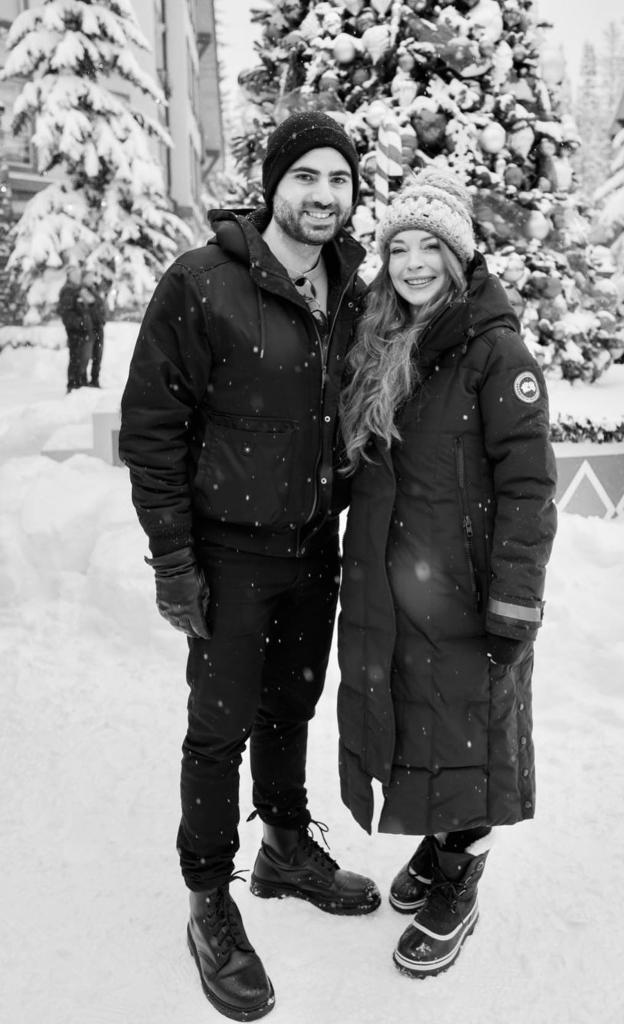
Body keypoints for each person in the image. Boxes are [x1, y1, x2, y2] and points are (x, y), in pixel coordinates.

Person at [118, 111, 380, 1022]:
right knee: (217, 727)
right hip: (228, 552)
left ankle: (282, 846)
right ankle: (207, 898)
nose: (323, 195)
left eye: (339, 180)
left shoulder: (355, 286)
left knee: (291, 704)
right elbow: (152, 431)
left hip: (313, 545)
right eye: (306, 176)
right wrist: (173, 559)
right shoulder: (202, 284)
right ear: (274, 186)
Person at [336, 169, 558, 979]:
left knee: (467, 731)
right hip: (399, 587)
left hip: (466, 591)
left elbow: (530, 485)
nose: (414, 263)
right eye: (400, 247)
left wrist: (514, 601)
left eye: (432, 247)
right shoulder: (386, 342)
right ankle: (438, 844)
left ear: (460, 259)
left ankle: (461, 874)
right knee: (420, 719)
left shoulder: (496, 354)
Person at [57, 265, 93, 391]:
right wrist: (80, 323)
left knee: (81, 358)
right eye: (75, 274)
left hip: (83, 330)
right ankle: (72, 384)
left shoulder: (78, 289)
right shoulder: (67, 291)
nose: (78, 276)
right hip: (75, 331)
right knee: (75, 358)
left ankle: (79, 383)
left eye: (78, 274)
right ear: (69, 276)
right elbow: (66, 313)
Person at [84, 270, 107, 387]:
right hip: (90, 328)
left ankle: (95, 380)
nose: (91, 279)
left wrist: (102, 319)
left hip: (99, 327)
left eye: (91, 277)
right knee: (87, 356)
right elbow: (88, 309)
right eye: (88, 277)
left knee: (98, 356)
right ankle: (82, 381)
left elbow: (100, 306)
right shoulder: (83, 292)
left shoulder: (95, 290)